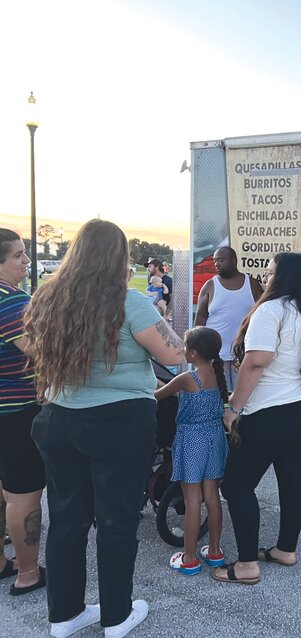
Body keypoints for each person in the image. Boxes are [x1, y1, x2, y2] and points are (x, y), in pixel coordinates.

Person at [25, 219, 186, 637]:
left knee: (65, 521)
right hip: (117, 422)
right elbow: (175, 353)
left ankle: (65, 615)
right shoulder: (129, 303)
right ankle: (116, 616)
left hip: (59, 417)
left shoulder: (47, 297)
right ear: (118, 257)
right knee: (116, 521)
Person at [216, 252, 301, 585]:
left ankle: (247, 565)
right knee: (291, 475)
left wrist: (233, 408)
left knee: (236, 485)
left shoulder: (272, 309)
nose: (266, 279)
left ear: (281, 278)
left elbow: (256, 362)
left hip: (272, 410)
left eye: (269, 274)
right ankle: (286, 549)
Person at [155, 327, 228, 575]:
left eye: (186, 347)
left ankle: (189, 558)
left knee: (192, 500)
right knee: (212, 496)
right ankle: (215, 552)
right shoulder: (219, 375)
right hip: (215, 438)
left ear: (194, 353)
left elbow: (157, 395)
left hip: (192, 440)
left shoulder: (188, 379)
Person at [0, 228, 46, 596]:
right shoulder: (12, 302)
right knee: (23, 494)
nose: (27, 261)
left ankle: (2, 562)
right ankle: (28, 573)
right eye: (18, 255)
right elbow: (39, 351)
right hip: (15, 412)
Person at [195, 247, 262, 392]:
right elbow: (200, 317)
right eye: (215, 261)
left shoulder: (252, 285)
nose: (217, 264)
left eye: (221, 260)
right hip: (215, 354)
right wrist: (198, 346)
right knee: (217, 395)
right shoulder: (210, 286)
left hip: (243, 353)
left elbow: (262, 316)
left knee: (243, 395)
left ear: (234, 260)